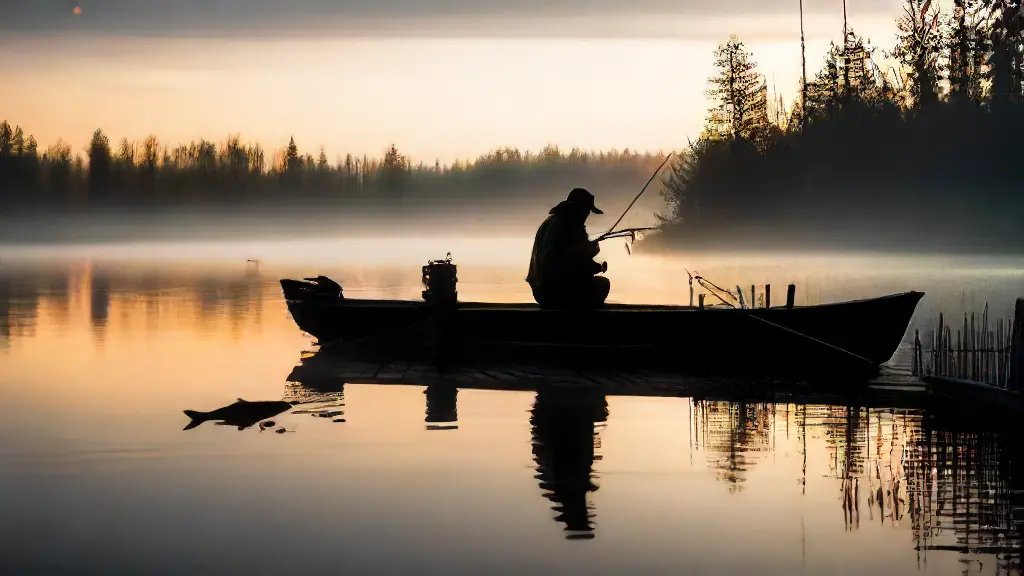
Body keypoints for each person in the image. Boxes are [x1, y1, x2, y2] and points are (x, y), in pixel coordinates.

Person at [526, 187, 610, 309]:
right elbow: (568, 262)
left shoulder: (549, 222)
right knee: (603, 284)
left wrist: (587, 252)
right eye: (586, 210)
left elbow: (567, 254)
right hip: (557, 292)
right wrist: (595, 264)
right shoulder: (570, 226)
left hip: (540, 292)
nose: (587, 215)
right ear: (579, 208)